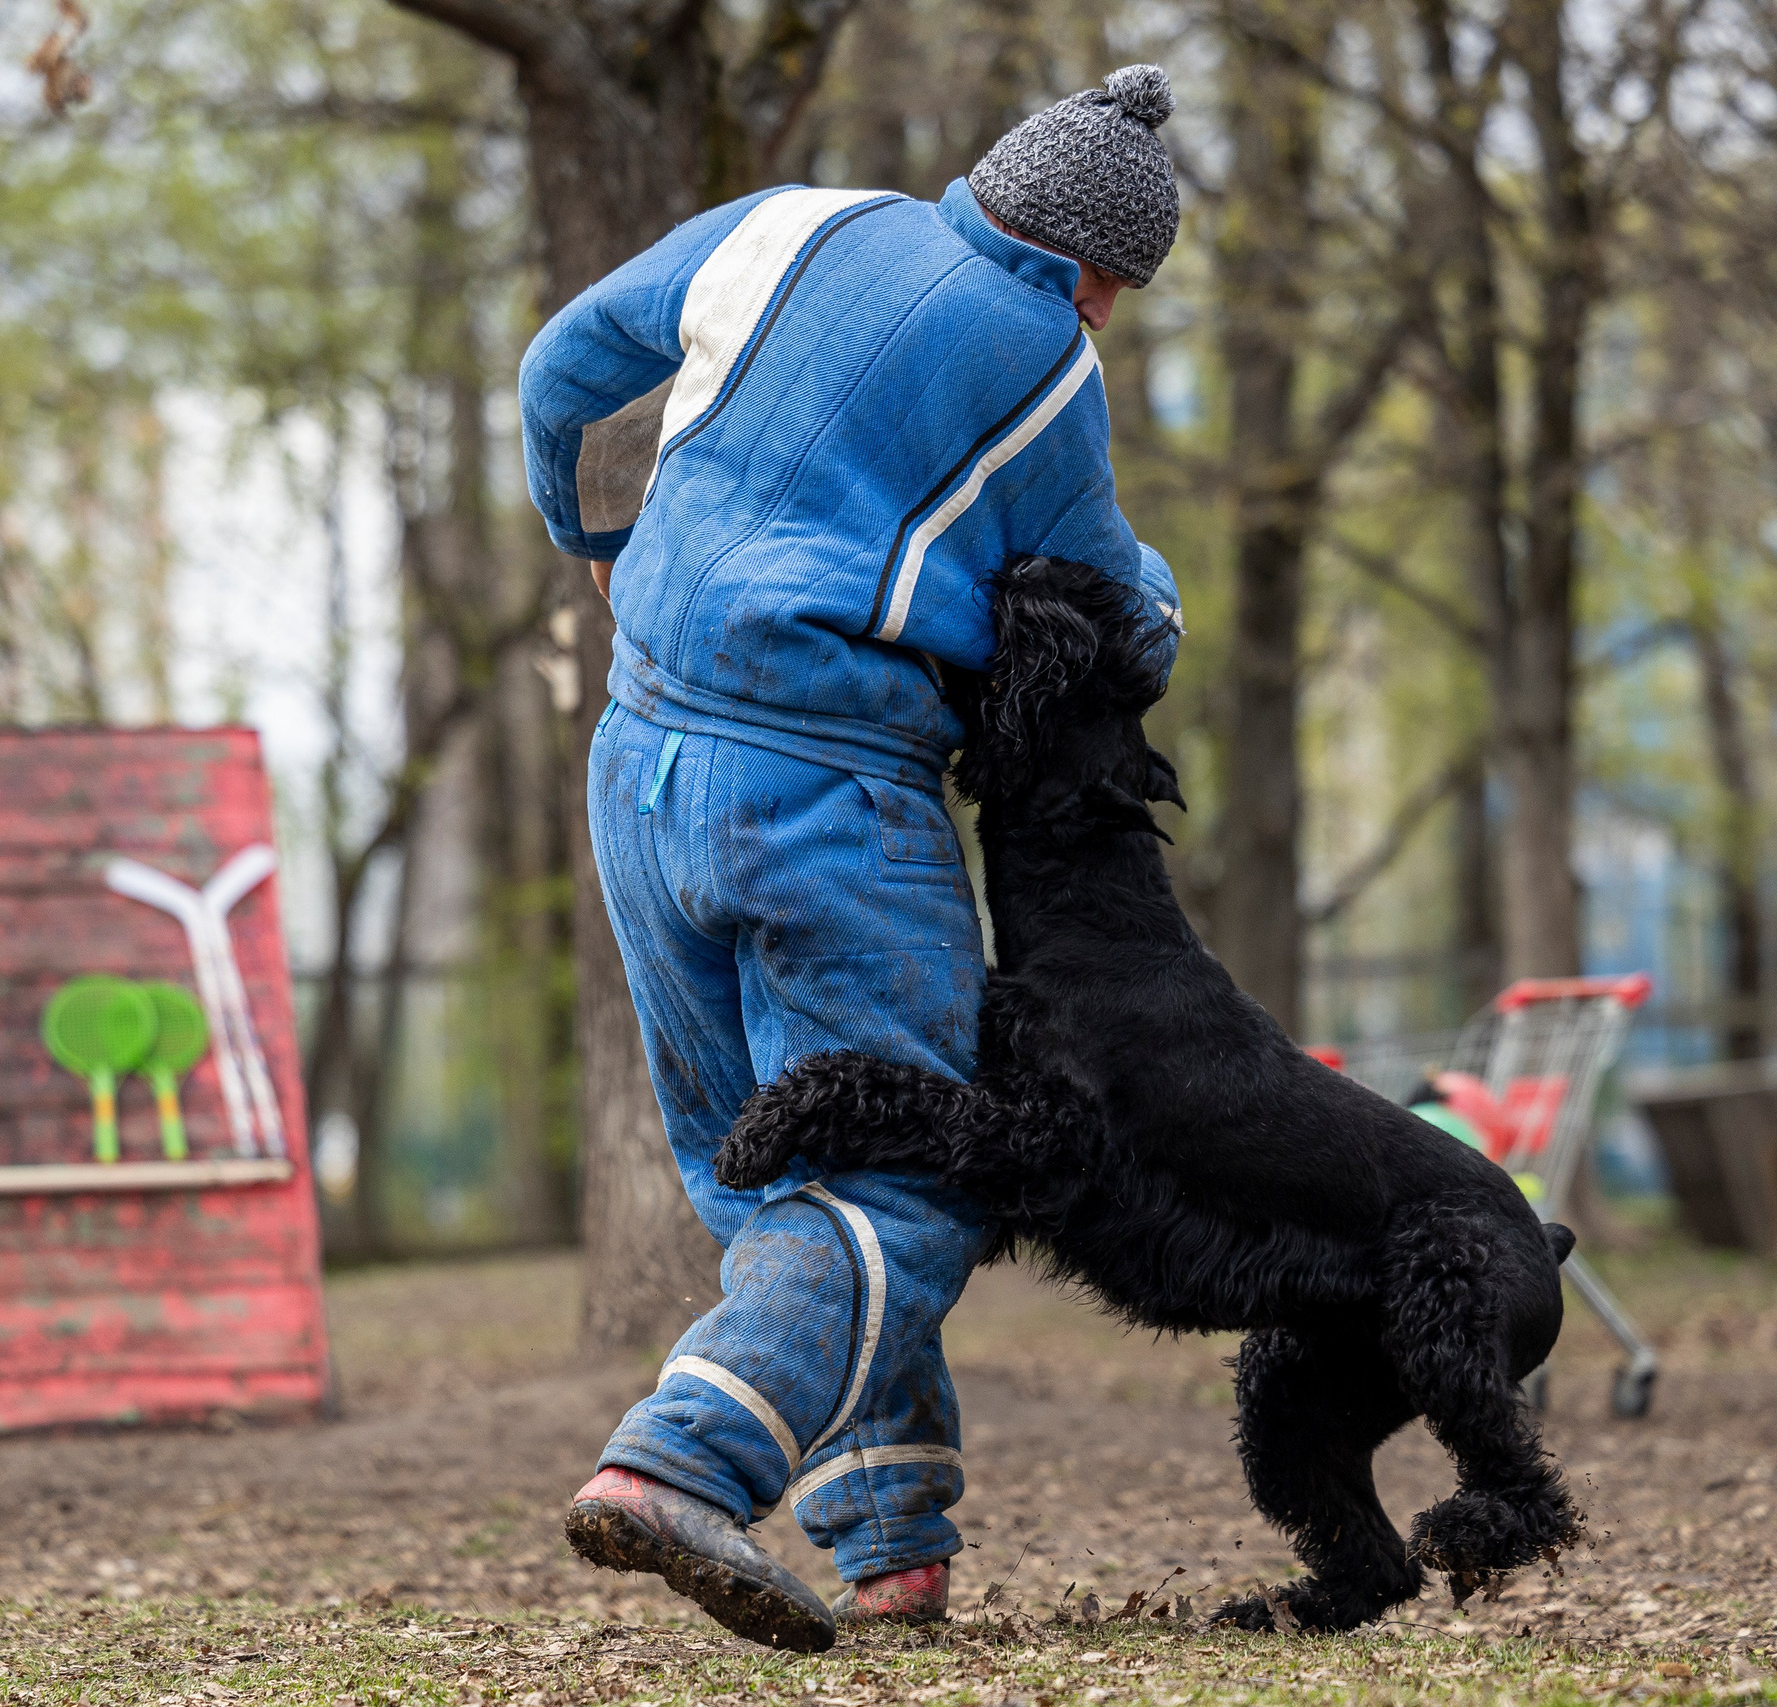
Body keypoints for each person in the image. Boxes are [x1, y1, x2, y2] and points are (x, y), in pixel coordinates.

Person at [516, 64, 1186, 1652]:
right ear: (1088, 269)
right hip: (826, 798)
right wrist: (1163, 599)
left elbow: (560, 371)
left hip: (640, 766)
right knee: (914, 1166)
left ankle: (890, 1539)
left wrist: (594, 542)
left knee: (776, 1169)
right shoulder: (1044, 363)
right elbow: (1108, 622)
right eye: (1114, 287)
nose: (1105, 314)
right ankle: (679, 1465)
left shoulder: (787, 222)